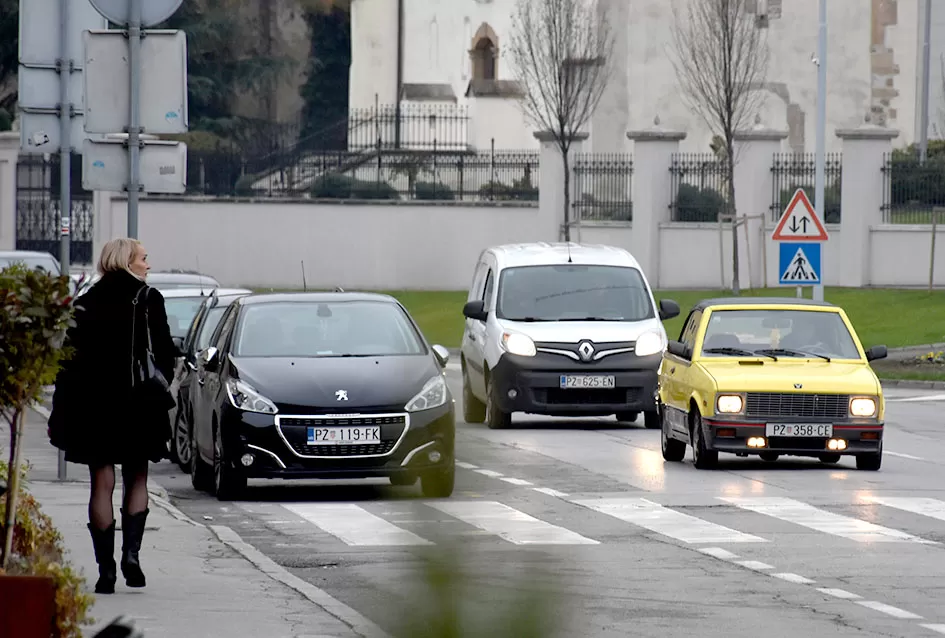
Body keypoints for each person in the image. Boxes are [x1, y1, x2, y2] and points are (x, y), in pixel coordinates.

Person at [48, 238, 176, 595]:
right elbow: (165, 353)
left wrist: (63, 410)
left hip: (94, 406)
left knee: (100, 483)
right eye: (144, 258)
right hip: (139, 405)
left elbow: (68, 364)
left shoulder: (85, 303)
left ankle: (106, 572)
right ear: (127, 262)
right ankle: (131, 557)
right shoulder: (149, 300)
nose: (148, 265)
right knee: (137, 478)